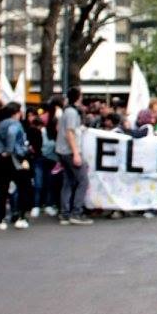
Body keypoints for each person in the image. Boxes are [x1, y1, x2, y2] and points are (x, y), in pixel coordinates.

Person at [0, 101, 33, 231]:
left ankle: (1, 217)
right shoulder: (14, 124)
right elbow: (12, 134)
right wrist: (9, 150)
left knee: (2, 189)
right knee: (23, 187)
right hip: (14, 158)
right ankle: (20, 216)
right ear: (16, 113)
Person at [55, 86, 93, 225]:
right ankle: (76, 212)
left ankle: (64, 213)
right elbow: (69, 133)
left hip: (63, 151)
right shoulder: (72, 112)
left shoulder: (66, 111)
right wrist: (76, 153)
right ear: (78, 97)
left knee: (68, 181)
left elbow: (61, 129)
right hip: (70, 152)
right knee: (83, 181)